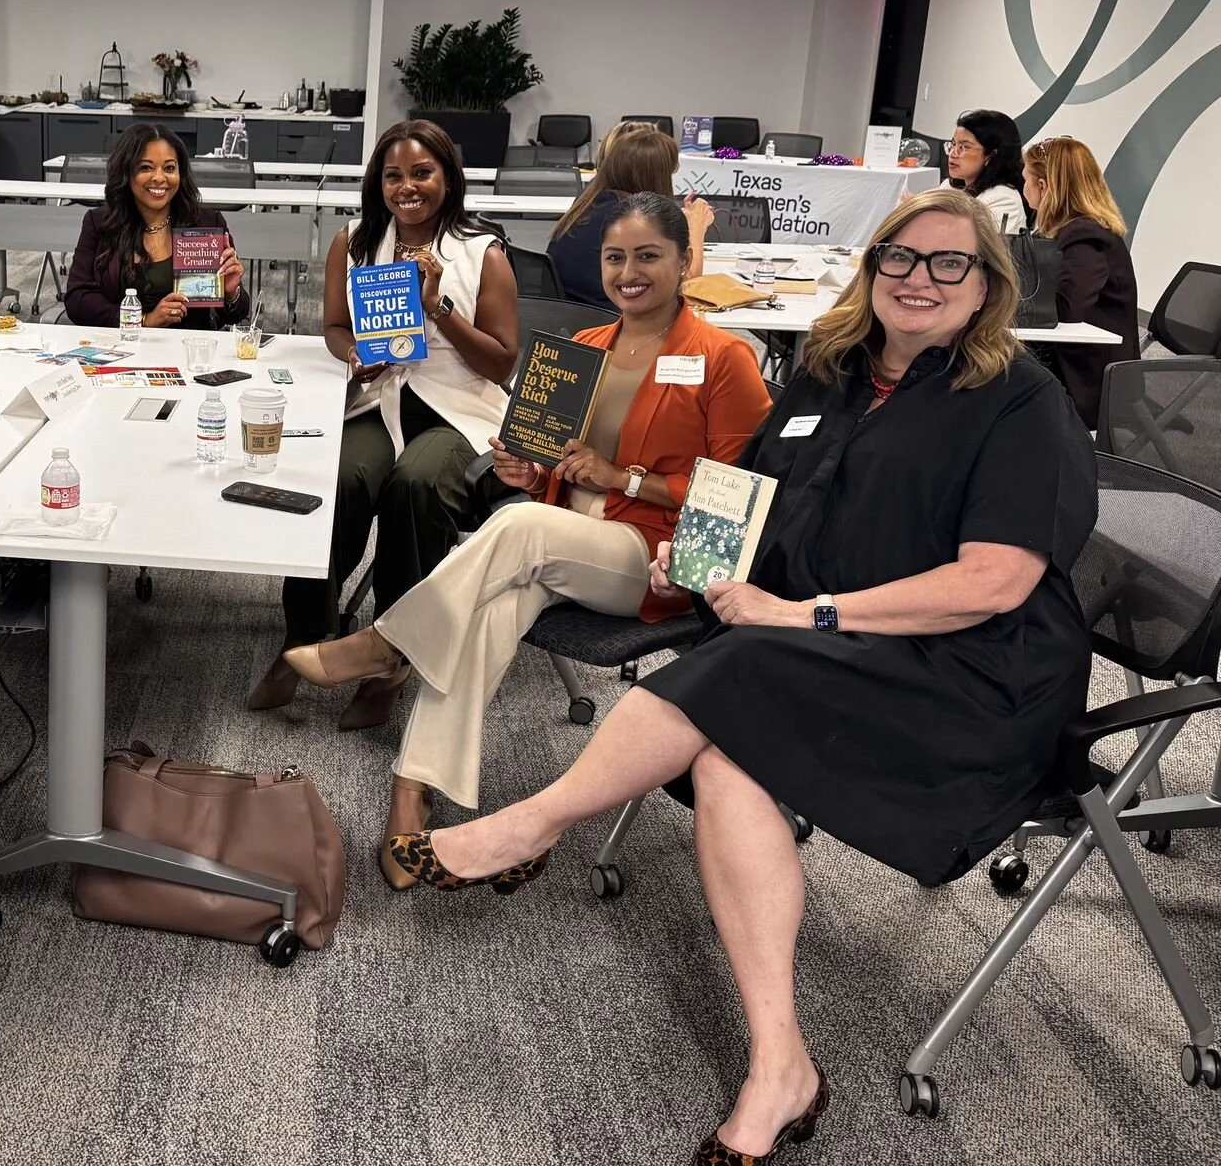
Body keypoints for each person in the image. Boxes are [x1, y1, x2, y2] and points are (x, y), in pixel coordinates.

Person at [396, 189, 1096, 1163]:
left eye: (949, 264)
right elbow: (744, 491)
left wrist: (798, 612)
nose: (919, 280)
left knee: (744, 670)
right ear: (869, 267)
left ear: (986, 286)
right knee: (731, 755)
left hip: (970, 676)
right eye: (899, 258)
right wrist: (691, 560)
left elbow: (995, 580)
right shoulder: (826, 370)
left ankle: (535, 820)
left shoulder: (1019, 399)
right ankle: (781, 1067)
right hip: (815, 652)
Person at [282, 194, 772, 887]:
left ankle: (386, 641)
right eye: (614, 258)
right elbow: (548, 464)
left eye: (648, 256)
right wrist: (529, 466)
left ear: (686, 261)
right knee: (483, 607)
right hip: (558, 542)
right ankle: (410, 802)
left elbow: (738, 499)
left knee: (512, 526)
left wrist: (627, 479)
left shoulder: (724, 358)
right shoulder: (583, 351)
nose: (628, 272)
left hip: (652, 560)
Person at [251, 119, 519, 729]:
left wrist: (438, 309)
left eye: (422, 173)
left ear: (448, 178)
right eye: (393, 175)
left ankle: (390, 655)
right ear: (378, 183)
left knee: (415, 486)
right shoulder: (355, 240)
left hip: (457, 407)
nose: (407, 187)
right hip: (382, 396)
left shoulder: (484, 251)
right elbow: (334, 326)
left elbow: (501, 360)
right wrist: (354, 355)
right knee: (338, 480)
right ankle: (305, 637)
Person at [63, 122, 251, 330]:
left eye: (169, 168)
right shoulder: (100, 223)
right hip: (122, 347)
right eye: (146, 168)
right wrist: (142, 321)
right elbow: (77, 300)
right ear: (126, 172)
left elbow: (236, 314)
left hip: (188, 352)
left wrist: (232, 293)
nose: (160, 178)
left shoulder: (207, 224)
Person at [1022, 134, 1139, 429]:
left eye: (1025, 180)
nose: (1022, 189)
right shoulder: (1070, 230)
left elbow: (1066, 307)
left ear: (1043, 187)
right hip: (1071, 358)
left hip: (1086, 373)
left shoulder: (1085, 235)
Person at [546, 123, 711, 308]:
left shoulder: (589, 202)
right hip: (616, 322)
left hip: (573, 319)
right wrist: (696, 226)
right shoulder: (632, 219)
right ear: (657, 175)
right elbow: (687, 286)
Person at [946, 108, 1028, 232]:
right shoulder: (949, 186)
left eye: (964, 147)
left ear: (991, 155)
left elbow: (969, 244)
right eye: (953, 144)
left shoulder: (1003, 198)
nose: (953, 153)